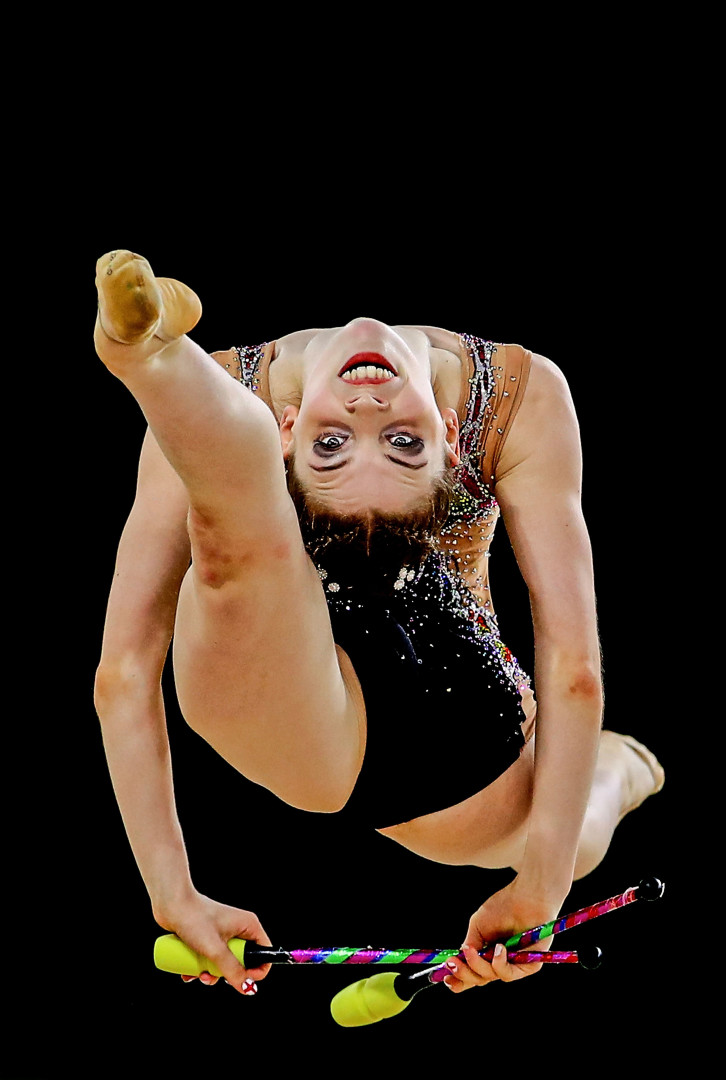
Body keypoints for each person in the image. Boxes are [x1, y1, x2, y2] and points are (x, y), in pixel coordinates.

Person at [93, 250, 664, 1000]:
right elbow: (127, 668)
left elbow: (575, 674)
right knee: (241, 533)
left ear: (455, 439)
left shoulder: (516, 400)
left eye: (398, 445)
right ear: (288, 427)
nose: (367, 415)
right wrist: (540, 887)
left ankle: (621, 768)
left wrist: (545, 883)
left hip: (458, 716)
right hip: (301, 666)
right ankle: (151, 358)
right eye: (335, 446)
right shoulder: (531, 394)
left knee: (563, 823)